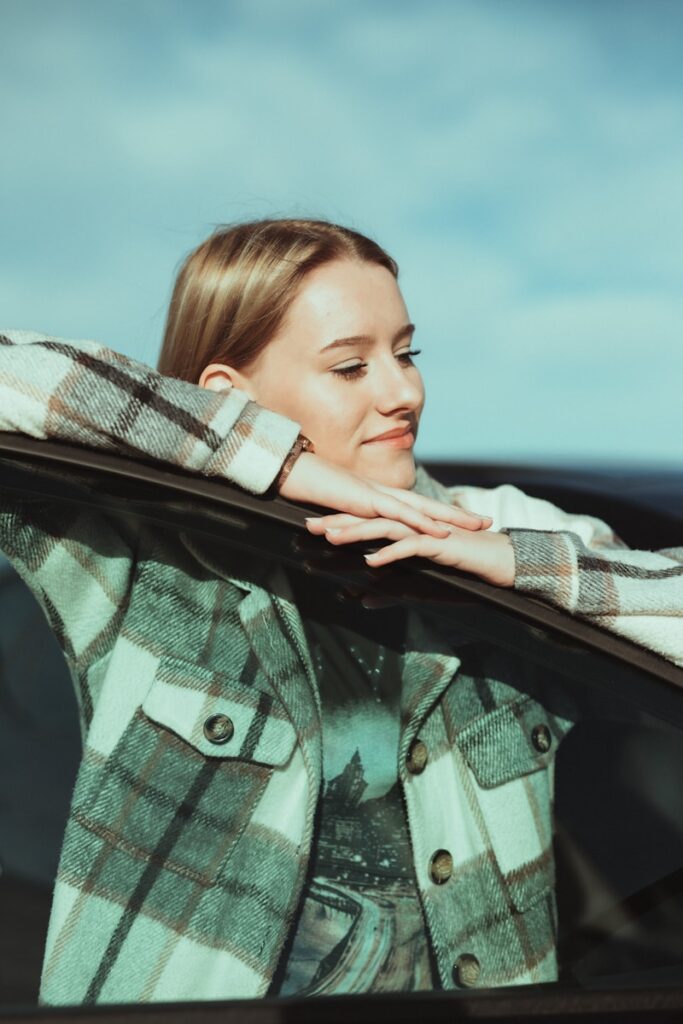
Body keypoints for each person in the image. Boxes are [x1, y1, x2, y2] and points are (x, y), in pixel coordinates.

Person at [0, 219, 681, 1005]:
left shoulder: (491, 526)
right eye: (351, 365)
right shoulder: (140, 553)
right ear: (230, 398)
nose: (403, 392)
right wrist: (272, 461)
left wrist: (513, 565)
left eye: (406, 353)